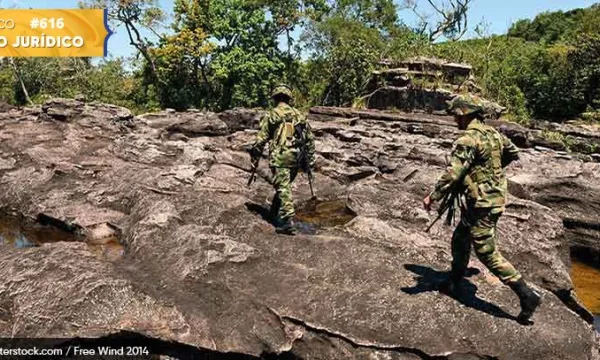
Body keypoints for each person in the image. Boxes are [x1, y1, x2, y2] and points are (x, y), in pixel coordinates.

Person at [423, 95, 542, 324]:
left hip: (483, 203)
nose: (454, 119)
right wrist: (489, 173)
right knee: (460, 238)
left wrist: (433, 196)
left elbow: (453, 174)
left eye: (456, 115)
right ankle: (455, 281)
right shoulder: (494, 133)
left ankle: (526, 295)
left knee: (486, 252)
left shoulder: (468, 139)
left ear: (465, 113)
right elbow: (512, 153)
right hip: (490, 198)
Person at [250, 84, 316, 235]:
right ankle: (274, 212)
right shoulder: (298, 114)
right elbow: (310, 139)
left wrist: (254, 157)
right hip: (297, 157)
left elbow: (261, 140)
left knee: (283, 186)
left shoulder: (272, 114)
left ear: (275, 98)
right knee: (283, 184)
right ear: (288, 98)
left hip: (280, 156)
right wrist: (310, 161)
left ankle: (287, 222)